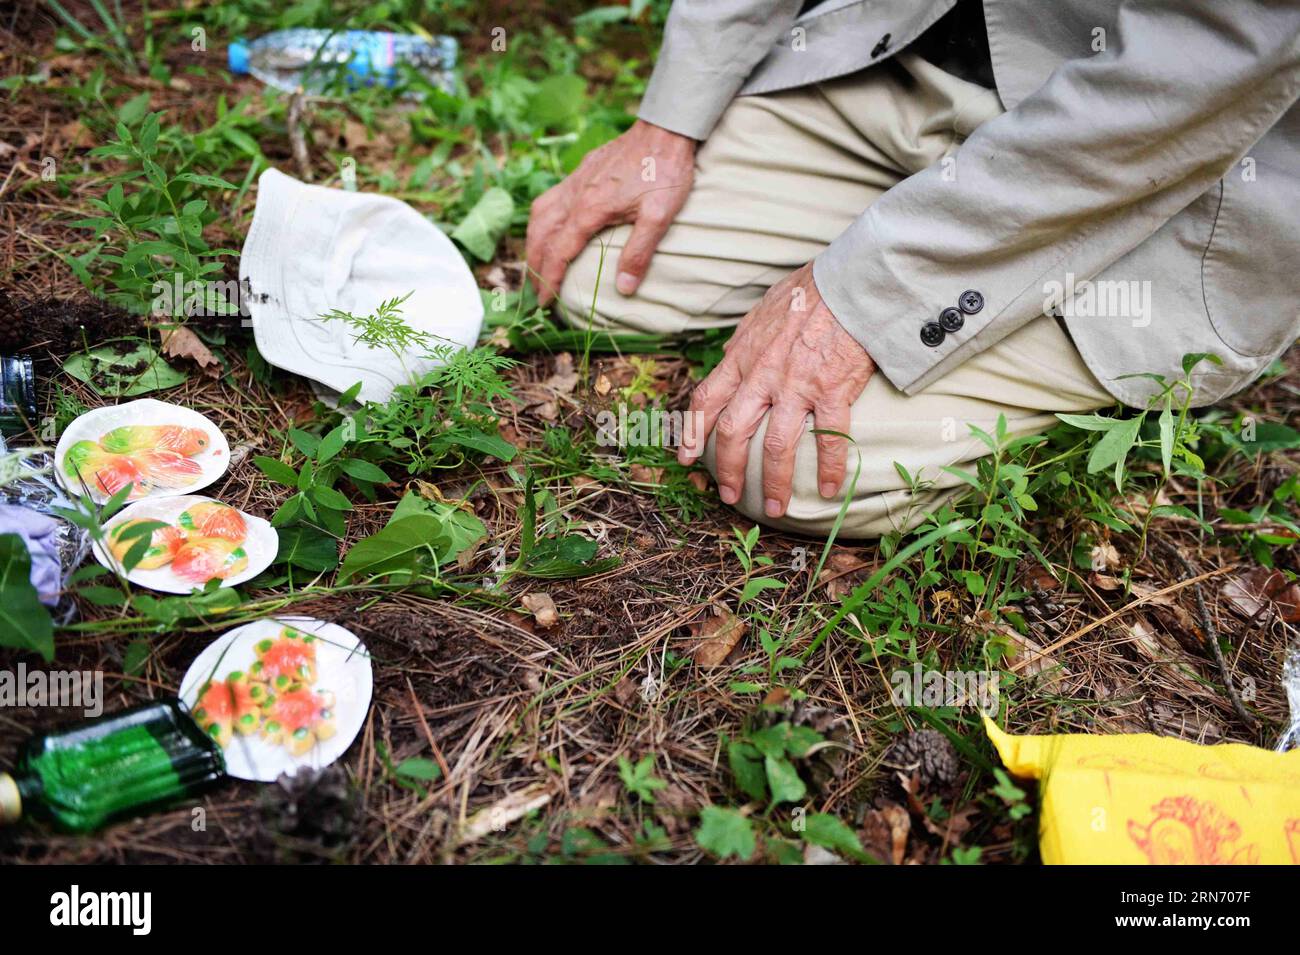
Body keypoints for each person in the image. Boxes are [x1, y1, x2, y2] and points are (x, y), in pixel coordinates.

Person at [524, 0, 1300, 538]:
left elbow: (1200, 72)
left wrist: (864, 292)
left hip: (1145, 172)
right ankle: (897, 219)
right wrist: (669, 120)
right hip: (899, 63)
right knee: (604, 282)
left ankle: (1095, 408)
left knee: (780, 465)